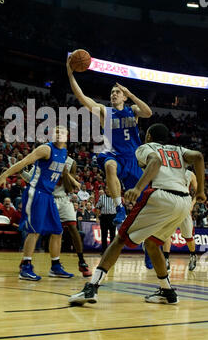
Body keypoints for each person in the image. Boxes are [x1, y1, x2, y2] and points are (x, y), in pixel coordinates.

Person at [68, 123, 206, 306]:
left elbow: (155, 162)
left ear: (148, 136)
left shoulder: (145, 147)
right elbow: (198, 156)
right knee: (152, 243)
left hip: (161, 195)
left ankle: (92, 287)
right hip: (183, 202)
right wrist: (201, 192)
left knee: (120, 239)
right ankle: (167, 291)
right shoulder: (179, 149)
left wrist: (138, 187)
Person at [67, 55, 153, 264]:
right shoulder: (105, 112)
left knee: (147, 204)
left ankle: (149, 245)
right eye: (112, 93)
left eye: (117, 92)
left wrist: (130, 93)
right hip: (113, 154)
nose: (113, 94)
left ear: (124, 97)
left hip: (133, 158)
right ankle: (118, 209)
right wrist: (70, 74)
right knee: (109, 165)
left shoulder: (133, 110)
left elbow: (148, 112)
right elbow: (82, 98)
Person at [0, 126, 77, 281]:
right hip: (36, 192)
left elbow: (63, 172)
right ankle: (25, 267)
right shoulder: (45, 149)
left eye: (62, 132)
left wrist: (73, 181)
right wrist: (3, 175)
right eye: (56, 132)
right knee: (34, 230)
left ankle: (55, 266)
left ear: (67, 136)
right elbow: (24, 162)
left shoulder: (64, 153)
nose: (59, 134)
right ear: (52, 135)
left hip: (49, 195)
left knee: (58, 231)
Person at [21, 154, 92, 277]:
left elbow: (70, 188)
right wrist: (21, 171)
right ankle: (26, 261)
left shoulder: (71, 163)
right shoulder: (43, 157)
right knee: (36, 230)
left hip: (63, 198)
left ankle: (81, 262)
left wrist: (65, 174)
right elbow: (30, 178)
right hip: (46, 197)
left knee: (72, 229)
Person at [162, 169, 198, 272]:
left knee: (188, 237)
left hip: (185, 206)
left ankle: (193, 255)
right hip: (171, 206)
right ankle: (166, 259)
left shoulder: (190, 174)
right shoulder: (169, 171)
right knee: (167, 234)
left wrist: (192, 203)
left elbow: (197, 191)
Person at [96, 189, 117, 254]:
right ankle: (104, 251)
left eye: (109, 189)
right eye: (106, 189)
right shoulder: (102, 197)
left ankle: (111, 251)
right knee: (104, 235)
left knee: (112, 235)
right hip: (104, 217)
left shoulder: (115, 197)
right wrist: (97, 217)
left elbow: (119, 207)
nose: (108, 190)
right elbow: (97, 207)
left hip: (112, 217)